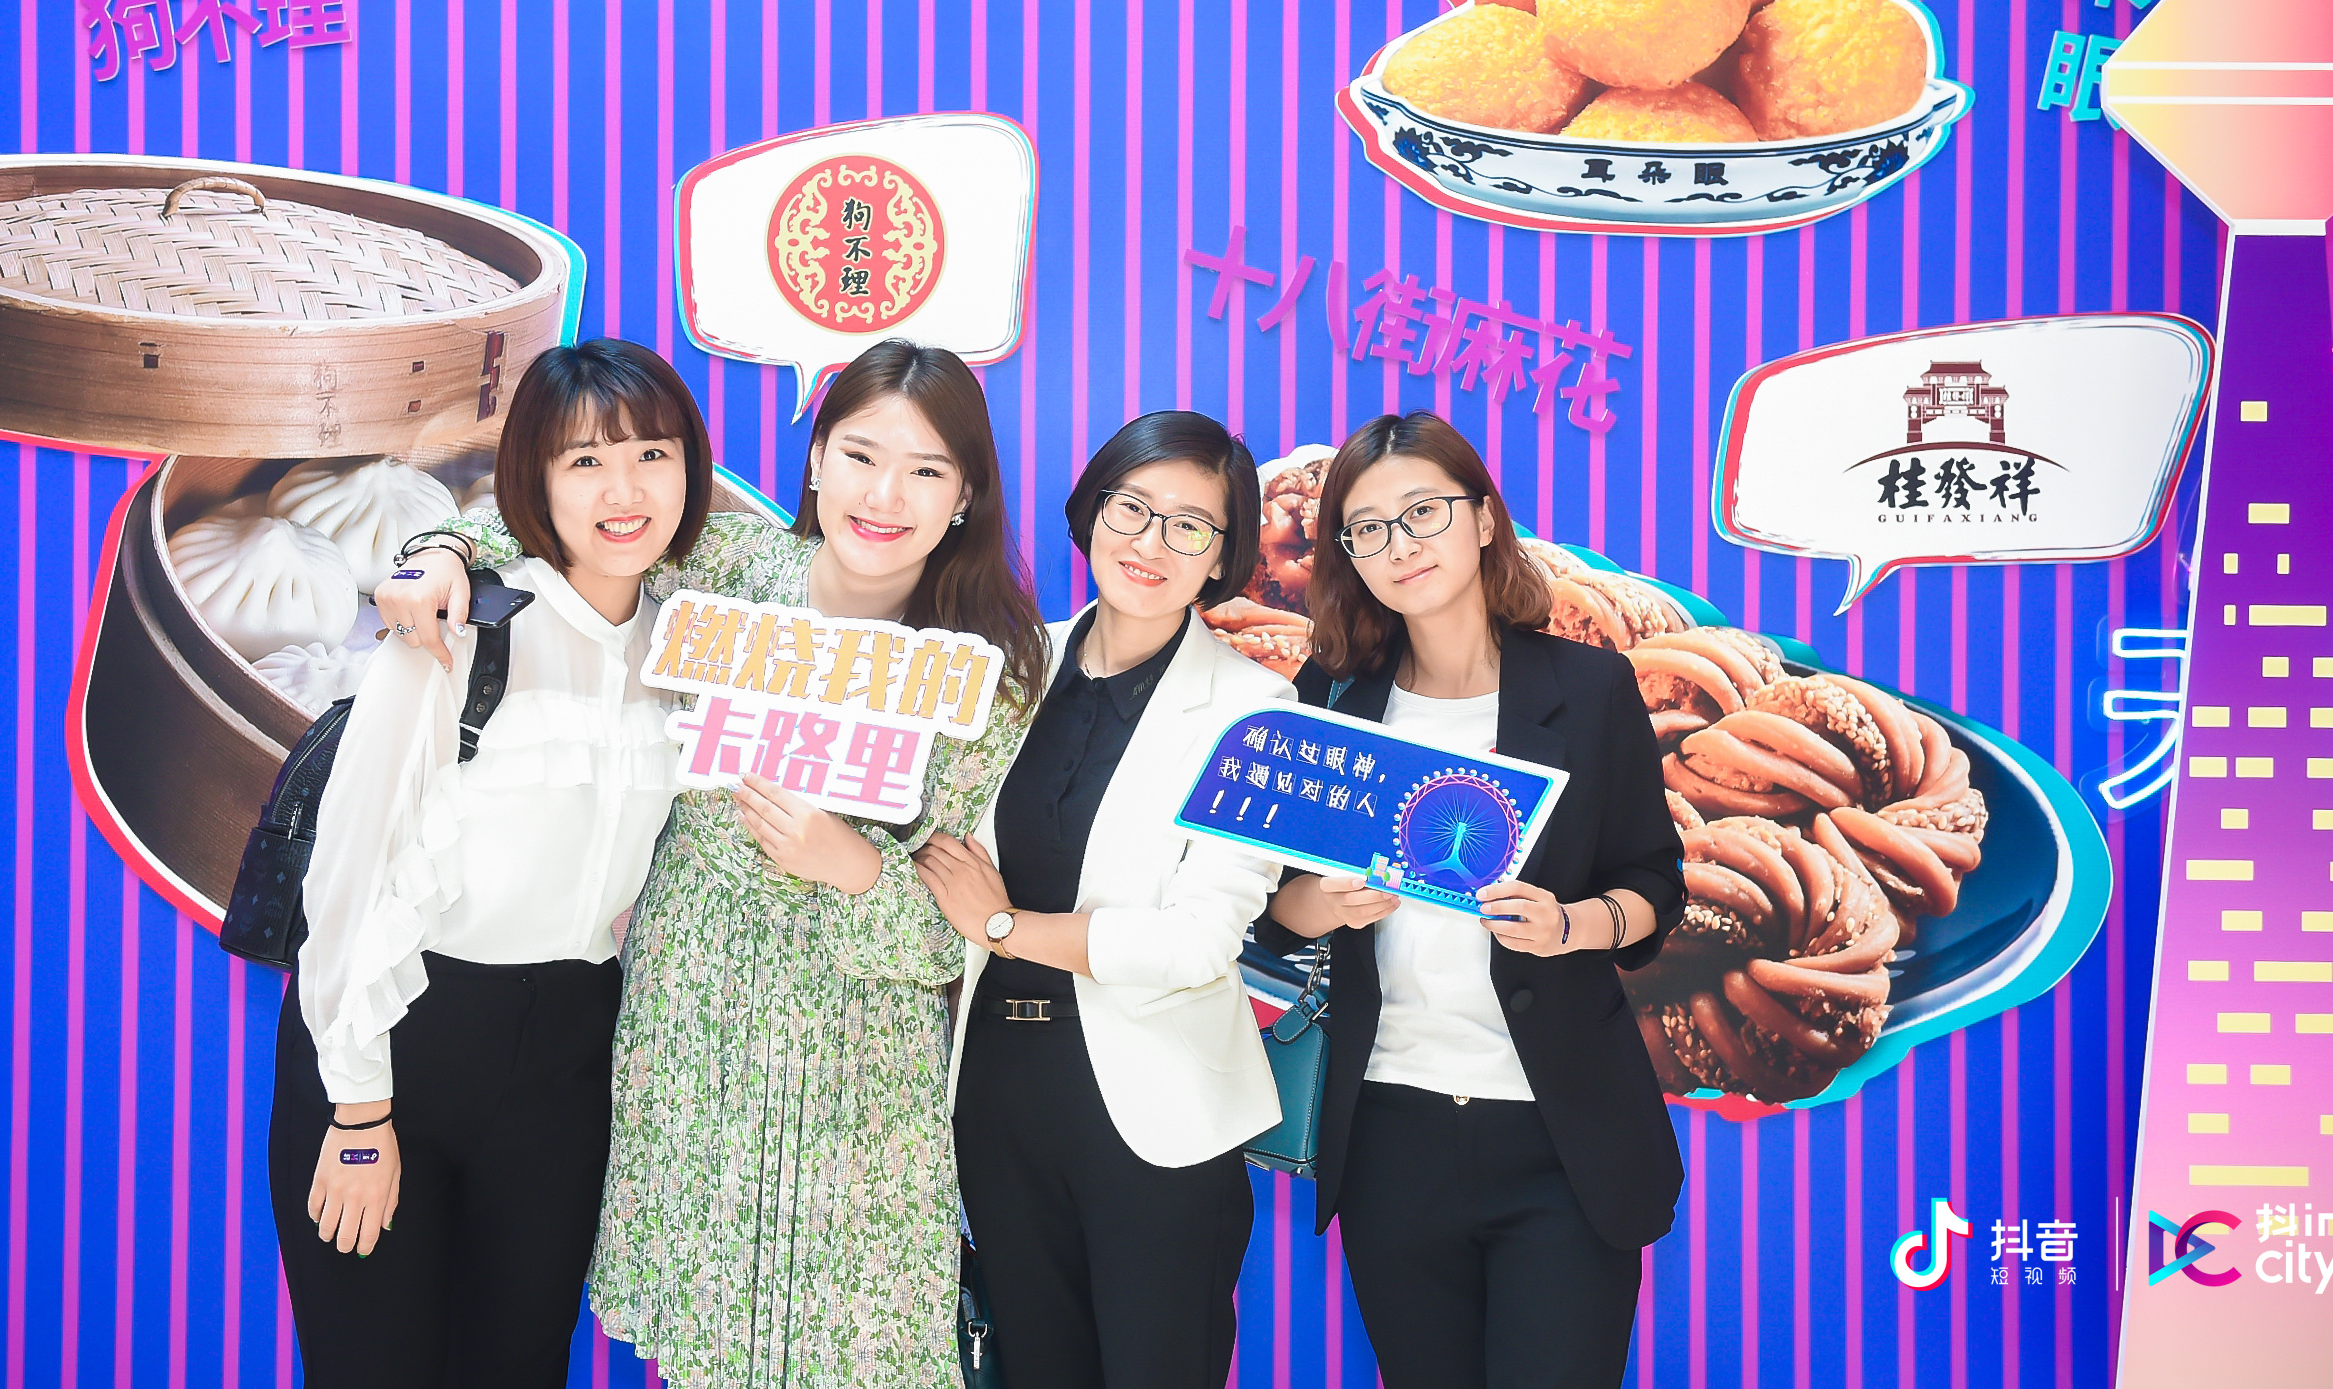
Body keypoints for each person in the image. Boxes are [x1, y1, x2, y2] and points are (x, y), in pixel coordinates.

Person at [377, 339, 1045, 1388]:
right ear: (815, 459)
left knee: (846, 1347)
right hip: (687, 1039)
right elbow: (562, 519)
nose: (885, 495)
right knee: (700, 1336)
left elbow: (940, 940)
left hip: (853, 1075)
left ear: (965, 495)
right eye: (861, 455)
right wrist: (442, 547)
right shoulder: (724, 569)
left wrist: (850, 864)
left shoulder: (986, 673)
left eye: (926, 470)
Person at [270, 338, 715, 1387]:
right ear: (534, 481)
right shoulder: (463, 626)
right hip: (401, 1042)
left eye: (651, 455)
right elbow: (347, 881)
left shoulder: (688, 647)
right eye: (585, 461)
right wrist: (360, 1113)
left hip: (565, 1066)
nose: (624, 490)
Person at [1255, 411, 1686, 1389]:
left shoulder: (1590, 686)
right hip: (1390, 1134)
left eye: (1424, 512)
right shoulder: (1330, 694)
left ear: (1484, 518)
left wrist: (1572, 924)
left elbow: (1657, 883)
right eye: (1368, 528)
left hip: (1559, 1137)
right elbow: (1272, 910)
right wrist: (1324, 904)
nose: (1400, 545)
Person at [912, 411, 1291, 1389]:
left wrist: (1002, 925)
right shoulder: (1004, 668)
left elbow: (1199, 941)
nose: (1151, 542)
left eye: (1189, 525)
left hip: (1153, 1107)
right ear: (1091, 512)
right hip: (997, 1091)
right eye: (1132, 508)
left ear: (1223, 556)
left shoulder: (1255, 711)